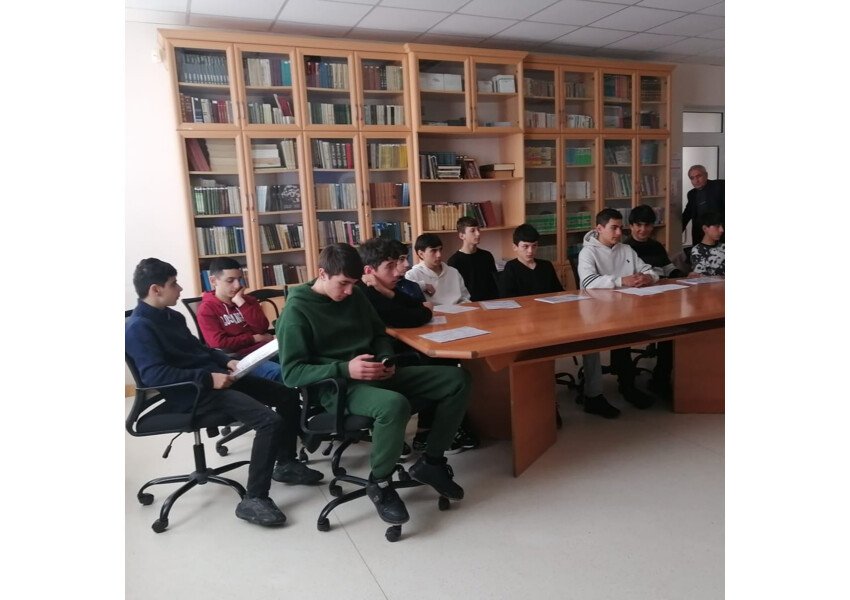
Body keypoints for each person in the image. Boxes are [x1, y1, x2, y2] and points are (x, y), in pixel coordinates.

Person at [277, 243, 471, 526]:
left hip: (376, 372)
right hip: (339, 388)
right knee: (394, 405)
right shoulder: (296, 311)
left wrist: (385, 358)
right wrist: (345, 368)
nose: (349, 291)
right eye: (343, 283)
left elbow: (379, 334)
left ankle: (431, 462)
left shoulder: (356, 294)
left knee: (456, 380)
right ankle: (379, 482)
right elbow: (292, 374)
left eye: (353, 283)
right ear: (322, 274)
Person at [125, 258, 324, 527]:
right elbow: (155, 375)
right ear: (155, 289)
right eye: (173, 284)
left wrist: (225, 361)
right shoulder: (139, 327)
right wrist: (208, 378)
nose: (180, 288)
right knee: (268, 421)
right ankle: (254, 499)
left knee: (286, 395)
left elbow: (201, 349)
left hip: (213, 378)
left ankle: (286, 464)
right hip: (193, 393)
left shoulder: (171, 316)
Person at [359, 238, 478, 455]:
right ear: (369, 271)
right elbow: (413, 315)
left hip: (390, 354)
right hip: (378, 363)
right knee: (438, 362)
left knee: (443, 361)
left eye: (398, 263)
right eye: (390, 266)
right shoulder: (365, 292)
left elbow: (414, 304)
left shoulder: (379, 288)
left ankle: (433, 431)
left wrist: (386, 291)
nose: (397, 271)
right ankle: (428, 434)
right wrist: (424, 310)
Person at [578, 209, 658, 418]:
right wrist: (622, 280)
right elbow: (588, 282)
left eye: (620, 228)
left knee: (626, 337)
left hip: (623, 308)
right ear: (599, 228)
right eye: (613, 228)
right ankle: (593, 396)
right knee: (591, 346)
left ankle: (628, 386)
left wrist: (648, 278)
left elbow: (649, 270)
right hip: (594, 311)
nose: (619, 233)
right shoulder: (588, 252)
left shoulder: (626, 249)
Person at [624, 205, 680, 398]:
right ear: (631, 226)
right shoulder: (625, 249)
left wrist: (685, 275)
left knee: (672, 331)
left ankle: (661, 379)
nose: (643, 230)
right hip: (635, 303)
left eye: (647, 225)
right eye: (638, 225)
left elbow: (669, 269)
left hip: (662, 298)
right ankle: (627, 382)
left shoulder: (656, 246)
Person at [196, 257, 281, 381]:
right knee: (278, 372)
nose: (237, 285)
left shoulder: (247, 301)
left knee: (302, 358)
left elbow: (262, 328)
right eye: (230, 280)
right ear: (213, 281)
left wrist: (241, 303)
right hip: (239, 358)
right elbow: (219, 343)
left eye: (239, 279)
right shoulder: (206, 309)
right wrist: (255, 338)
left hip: (265, 350)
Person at [404, 233, 471, 305]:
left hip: (457, 310)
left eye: (440, 249)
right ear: (421, 254)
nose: (439, 255)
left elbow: (465, 298)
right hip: (430, 311)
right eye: (433, 251)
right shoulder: (412, 275)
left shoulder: (453, 272)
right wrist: (422, 286)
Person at [501, 223, 564, 297]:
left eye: (534, 246)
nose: (530, 251)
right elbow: (507, 298)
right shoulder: (511, 267)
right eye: (525, 246)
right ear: (515, 247)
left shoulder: (547, 266)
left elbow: (559, 292)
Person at [447, 216, 499, 301]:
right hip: (468, 304)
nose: (478, 233)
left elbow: (494, 285)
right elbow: (454, 291)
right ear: (462, 236)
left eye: (478, 229)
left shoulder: (487, 256)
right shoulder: (454, 261)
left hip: (490, 302)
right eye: (472, 231)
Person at [682, 164, 724, 245]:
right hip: (700, 237)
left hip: (720, 235)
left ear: (706, 175)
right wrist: (676, 232)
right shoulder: (691, 194)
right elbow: (687, 214)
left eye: (698, 176)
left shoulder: (719, 186)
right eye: (692, 178)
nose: (696, 180)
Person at [690, 212, 725, 276]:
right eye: (717, 226)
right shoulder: (697, 250)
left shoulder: (724, 247)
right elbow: (701, 277)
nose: (721, 230)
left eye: (722, 226)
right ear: (705, 228)